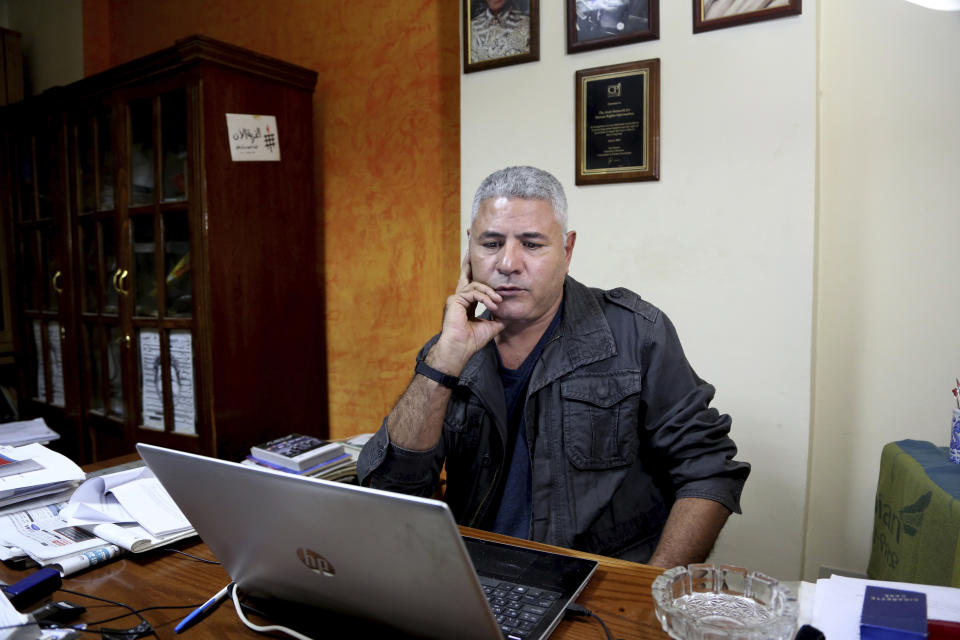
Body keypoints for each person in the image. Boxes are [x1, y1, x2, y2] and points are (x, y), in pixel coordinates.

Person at [357, 166, 750, 567]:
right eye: (491, 243)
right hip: (476, 578)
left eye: (531, 244)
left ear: (566, 250)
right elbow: (389, 491)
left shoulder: (636, 334)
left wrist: (649, 588)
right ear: (469, 249)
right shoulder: (448, 351)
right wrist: (443, 361)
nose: (508, 263)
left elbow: (708, 470)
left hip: (596, 583)